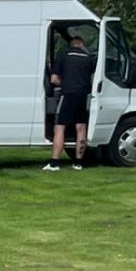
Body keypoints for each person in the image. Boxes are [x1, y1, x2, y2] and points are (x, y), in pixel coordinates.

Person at [46, 32, 93, 171]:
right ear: (81, 45)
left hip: (68, 94)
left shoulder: (63, 54)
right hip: (83, 95)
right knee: (81, 128)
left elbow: (54, 79)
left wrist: (65, 84)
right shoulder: (88, 58)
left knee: (60, 127)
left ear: (71, 45)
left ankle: (54, 163)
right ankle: (78, 163)